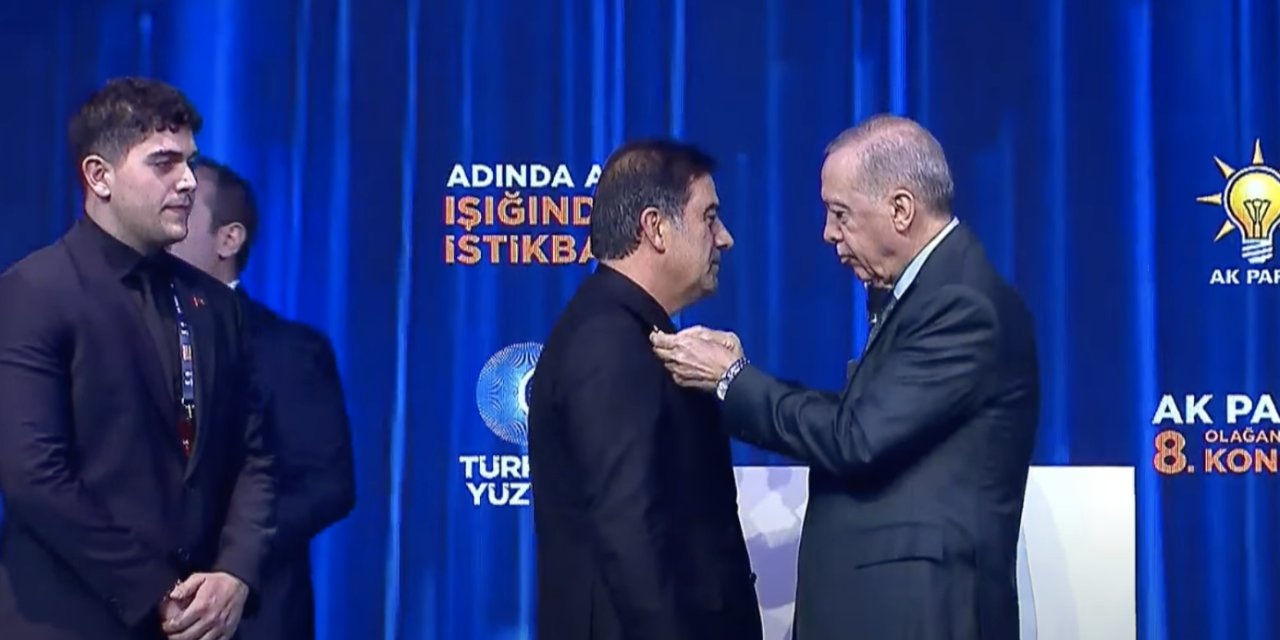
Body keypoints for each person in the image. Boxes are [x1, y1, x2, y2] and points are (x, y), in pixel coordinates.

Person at [652, 114, 1040, 640]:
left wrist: (732, 380)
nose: (828, 233)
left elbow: (856, 437)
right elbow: (864, 418)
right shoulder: (935, 291)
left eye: (840, 214)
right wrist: (740, 377)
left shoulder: (961, 304)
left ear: (901, 209)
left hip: (919, 619)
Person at [0, 77, 276, 640]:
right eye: (164, 163)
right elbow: (34, 475)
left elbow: (256, 456)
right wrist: (154, 590)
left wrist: (235, 573)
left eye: (190, 162)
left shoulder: (216, 305)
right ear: (99, 176)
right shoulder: (34, 292)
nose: (189, 181)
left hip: (200, 625)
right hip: (67, 621)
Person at [526, 139, 763, 640]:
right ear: (655, 228)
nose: (725, 238)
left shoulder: (627, 331)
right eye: (709, 218)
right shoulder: (609, 342)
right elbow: (631, 531)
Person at [168, 158, 356, 640]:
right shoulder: (113, 331)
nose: (165, 218)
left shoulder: (290, 350)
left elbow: (328, 485)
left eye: (184, 206)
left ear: (229, 239)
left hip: (251, 617)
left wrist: (231, 560)